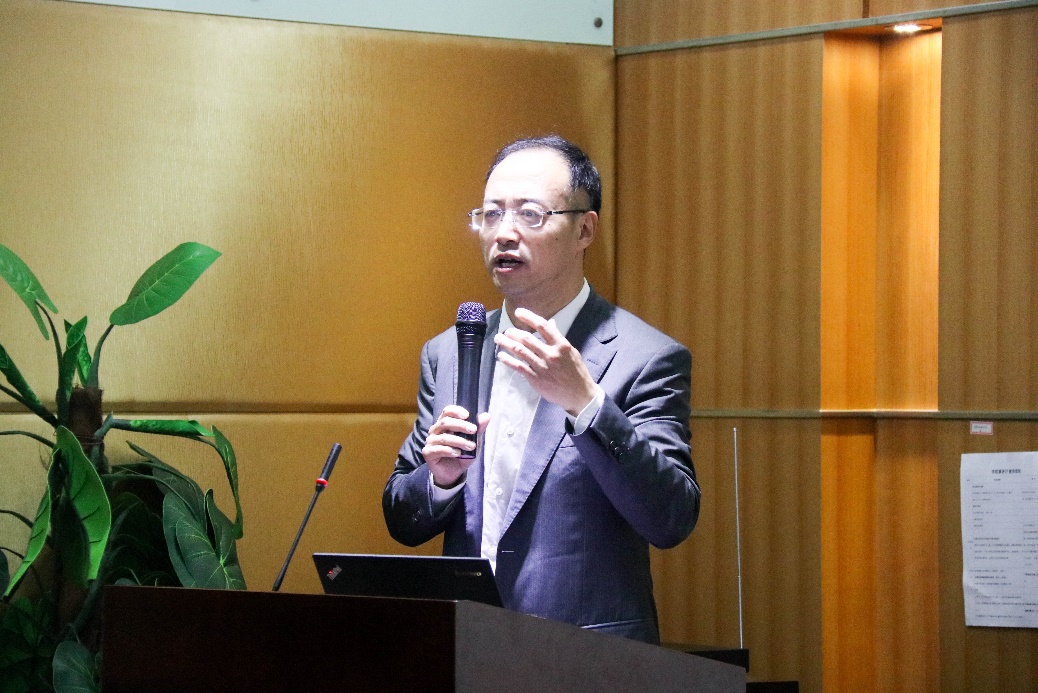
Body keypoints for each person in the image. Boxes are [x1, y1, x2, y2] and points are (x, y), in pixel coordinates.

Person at [382, 134, 700, 644]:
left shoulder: (645, 357)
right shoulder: (450, 351)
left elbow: (670, 519)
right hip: (469, 649)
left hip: (587, 657)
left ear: (584, 230)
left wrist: (587, 404)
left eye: (530, 214)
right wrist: (439, 480)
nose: (504, 233)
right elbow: (403, 518)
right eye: (491, 215)